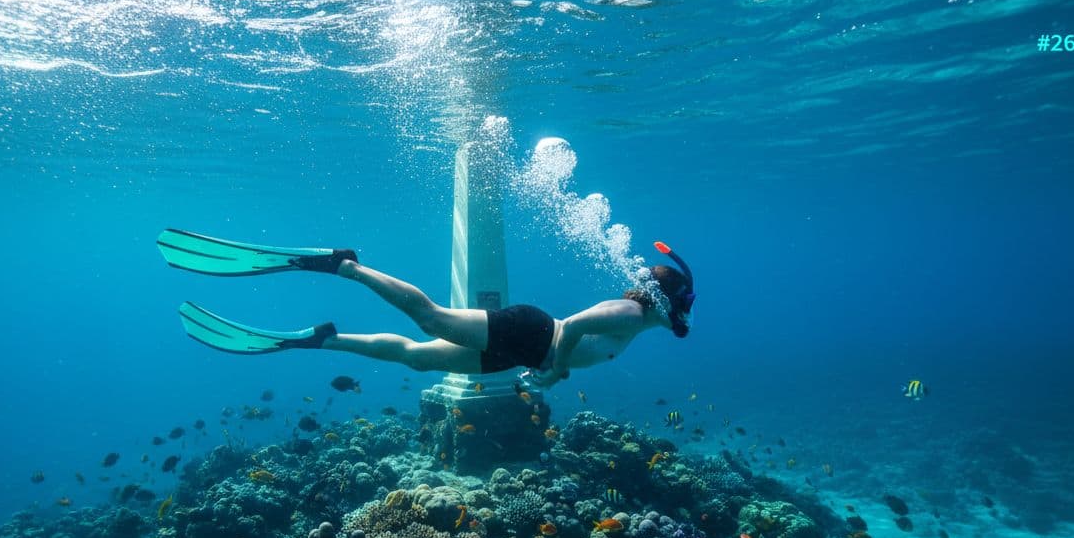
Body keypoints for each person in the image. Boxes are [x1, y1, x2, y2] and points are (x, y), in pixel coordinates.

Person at [158, 230, 695, 387]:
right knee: (431, 318)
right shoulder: (630, 316)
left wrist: (547, 365)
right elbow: (574, 326)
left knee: (420, 358)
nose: (681, 320)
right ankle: (344, 264)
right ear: (667, 304)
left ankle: (320, 338)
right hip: (530, 335)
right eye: (682, 309)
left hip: (519, 353)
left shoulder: (640, 320)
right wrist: (556, 368)